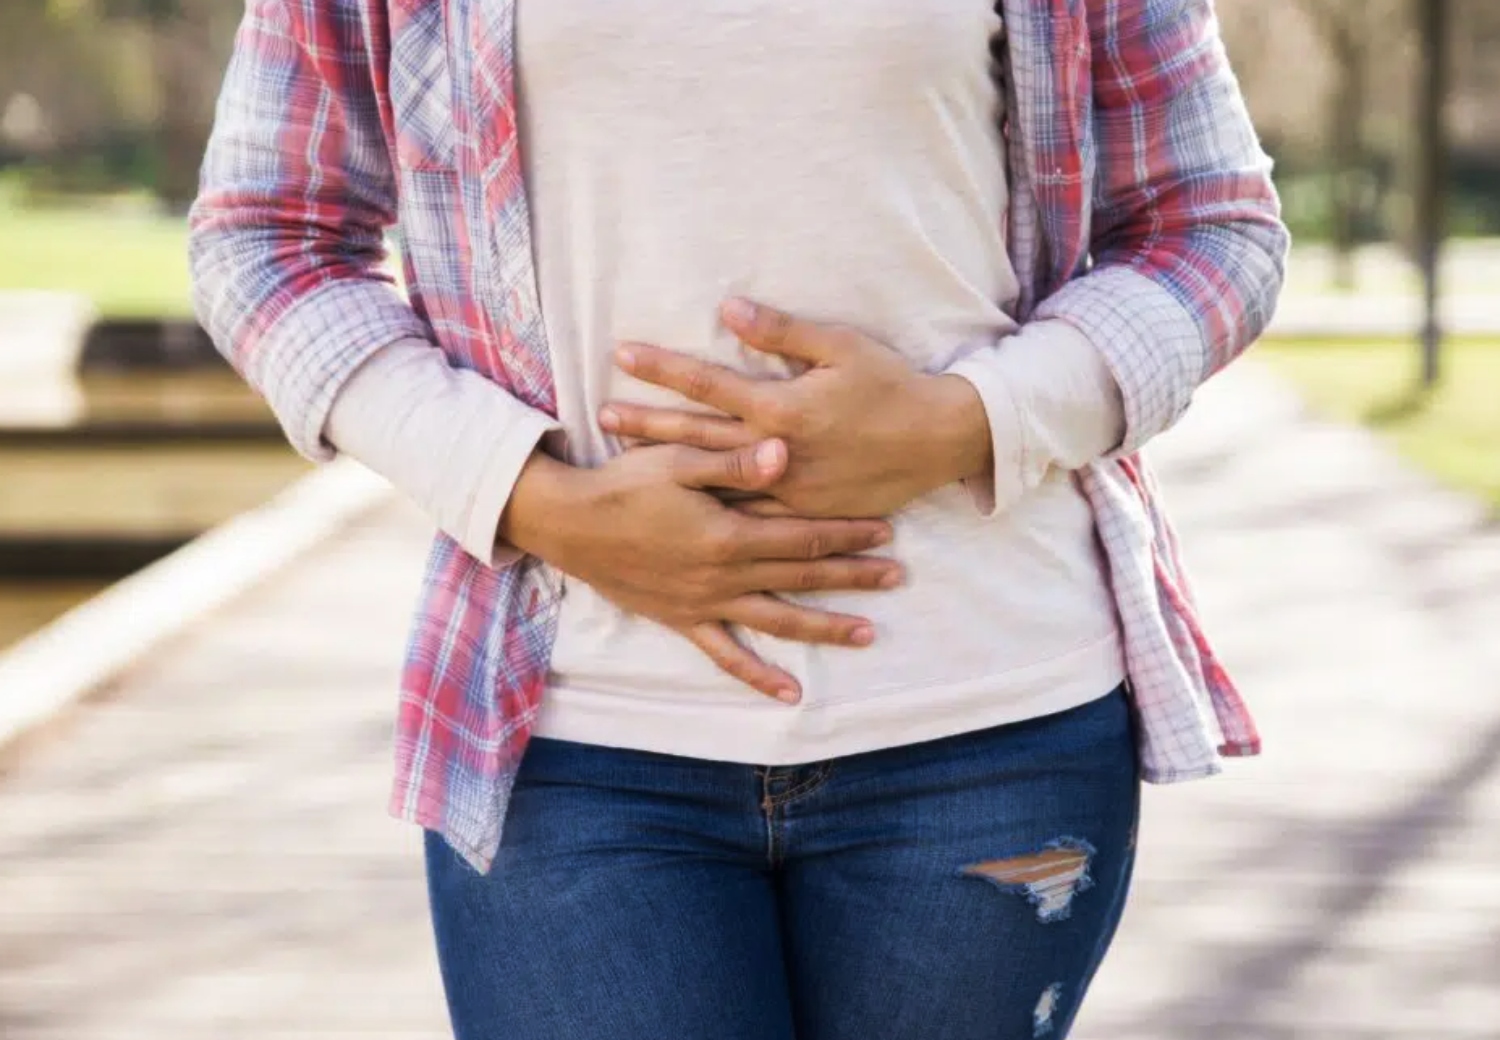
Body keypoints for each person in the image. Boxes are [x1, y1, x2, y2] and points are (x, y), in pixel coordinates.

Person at [190, 1, 1286, 1036]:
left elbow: (1210, 227)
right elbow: (267, 243)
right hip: (573, 733)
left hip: (987, 733)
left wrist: (968, 420)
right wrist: (532, 496)